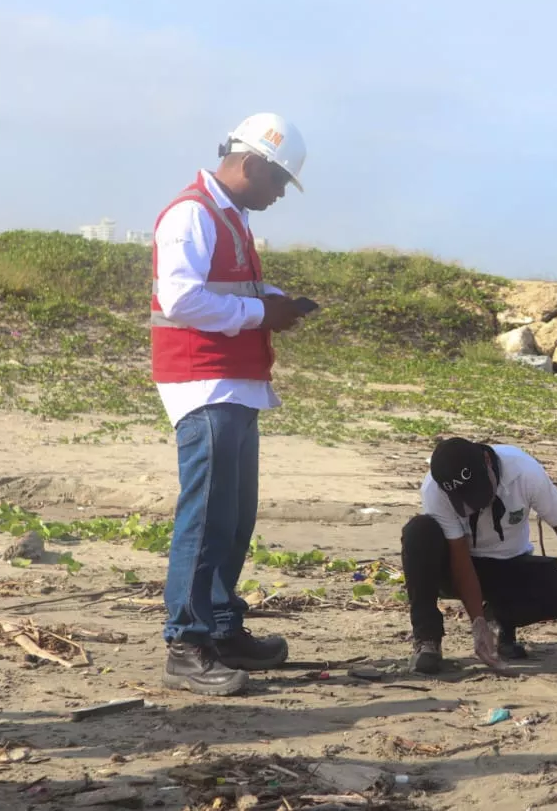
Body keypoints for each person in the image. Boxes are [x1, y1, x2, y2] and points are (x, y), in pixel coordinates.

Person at [151, 112, 311, 696]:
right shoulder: (192, 213)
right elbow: (180, 298)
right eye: (277, 183)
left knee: (234, 515)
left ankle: (219, 626)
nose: (277, 196)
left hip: (236, 384)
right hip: (204, 382)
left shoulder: (231, 216)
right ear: (251, 165)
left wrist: (276, 302)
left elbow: (230, 292)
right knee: (207, 514)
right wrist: (260, 313)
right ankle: (187, 643)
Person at [401, 437, 557, 673]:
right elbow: (459, 556)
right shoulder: (435, 489)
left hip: (510, 566)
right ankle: (427, 639)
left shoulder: (524, 470)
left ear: (487, 461)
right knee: (418, 532)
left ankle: (500, 620)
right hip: (459, 569)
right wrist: (476, 623)